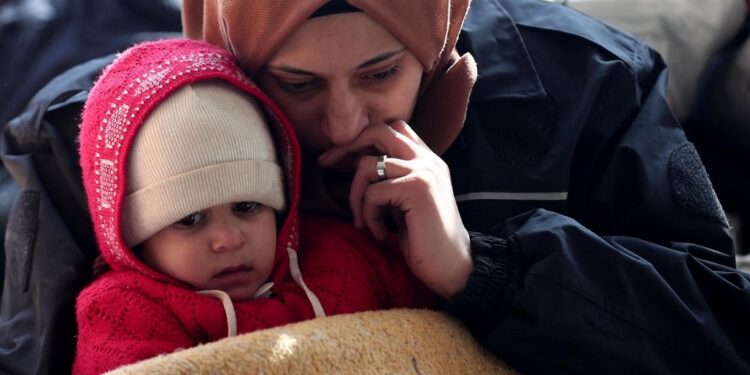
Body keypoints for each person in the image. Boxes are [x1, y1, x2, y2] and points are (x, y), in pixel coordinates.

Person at [183, 0, 750, 373]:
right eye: (297, 84)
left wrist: (484, 269)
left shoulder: (591, 84)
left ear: (437, 42)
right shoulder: (139, 124)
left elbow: (722, 329)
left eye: (380, 74)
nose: (344, 124)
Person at [74, 38, 434, 375]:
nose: (228, 239)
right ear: (133, 236)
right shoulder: (124, 308)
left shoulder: (346, 255)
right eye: (190, 219)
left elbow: (446, 330)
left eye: (247, 206)